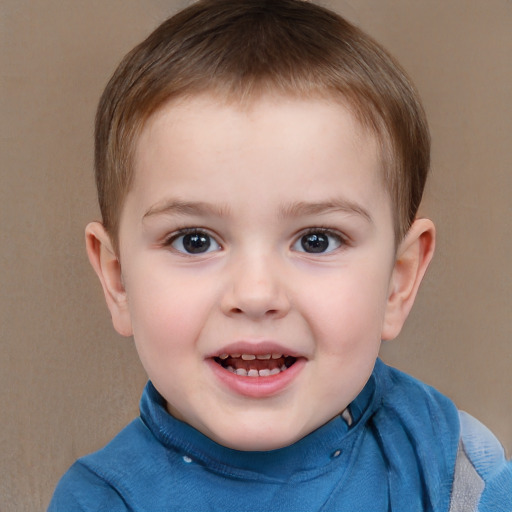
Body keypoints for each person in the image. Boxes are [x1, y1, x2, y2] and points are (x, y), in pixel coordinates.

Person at [48, 0, 512, 510]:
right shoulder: (103, 501)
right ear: (118, 281)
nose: (255, 294)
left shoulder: (454, 469)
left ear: (398, 283)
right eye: (194, 240)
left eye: (316, 240)